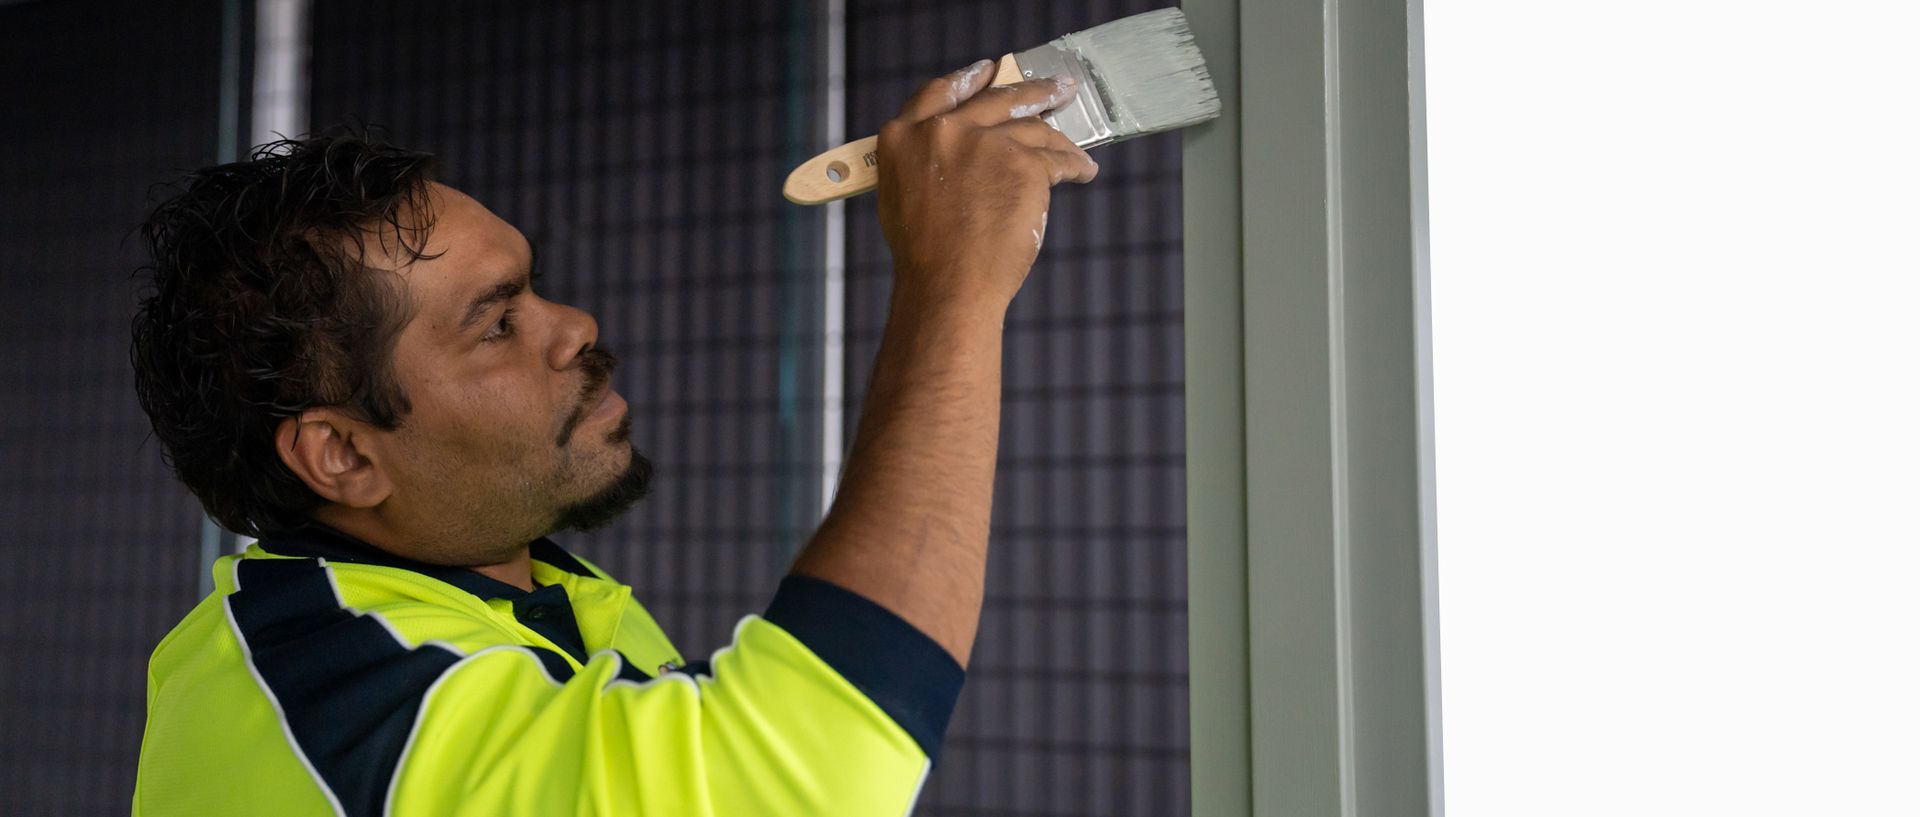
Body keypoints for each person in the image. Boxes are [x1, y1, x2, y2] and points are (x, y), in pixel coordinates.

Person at [129, 60, 1098, 817]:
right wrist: (953, 286)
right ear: (342, 455)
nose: (575, 323)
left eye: (533, 283)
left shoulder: (544, 599)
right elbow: (803, 778)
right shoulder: (312, 682)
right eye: (495, 323)